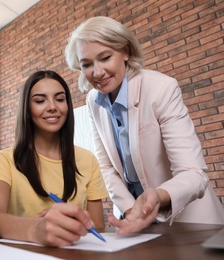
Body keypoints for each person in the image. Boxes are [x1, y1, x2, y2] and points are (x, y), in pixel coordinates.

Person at [64, 16, 224, 235]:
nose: (98, 72)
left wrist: (156, 198)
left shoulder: (161, 89)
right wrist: (133, 211)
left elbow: (193, 173)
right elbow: (107, 167)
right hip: (137, 222)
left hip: (188, 220)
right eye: (87, 65)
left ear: (126, 52)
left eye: (105, 58)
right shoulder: (93, 101)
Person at [0, 70, 108, 247]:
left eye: (59, 99)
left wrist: (69, 224)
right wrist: (38, 227)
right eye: (40, 101)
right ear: (27, 109)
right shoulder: (5, 160)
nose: (52, 107)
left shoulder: (87, 160)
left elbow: (97, 226)